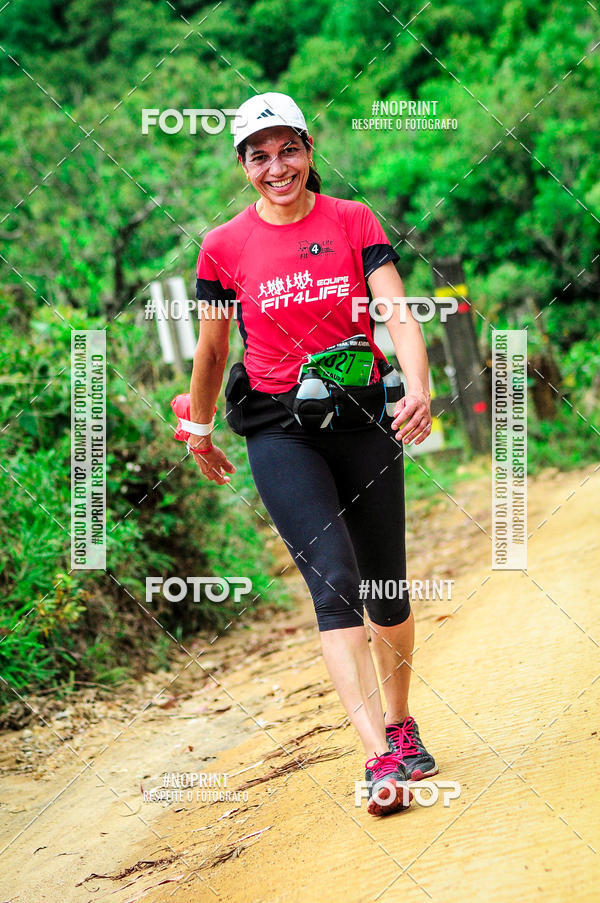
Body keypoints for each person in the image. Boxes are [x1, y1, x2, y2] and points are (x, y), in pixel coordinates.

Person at [187, 92, 437, 816]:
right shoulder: (223, 246)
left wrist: (415, 384)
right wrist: (200, 429)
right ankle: (376, 756)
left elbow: (395, 309)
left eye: (287, 149)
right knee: (334, 579)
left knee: (386, 584)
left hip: (362, 419)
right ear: (243, 165)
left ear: (309, 148)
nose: (277, 167)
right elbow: (211, 348)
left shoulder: (353, 220)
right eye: (258, 155)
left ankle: (401, 721)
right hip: (279, 427)